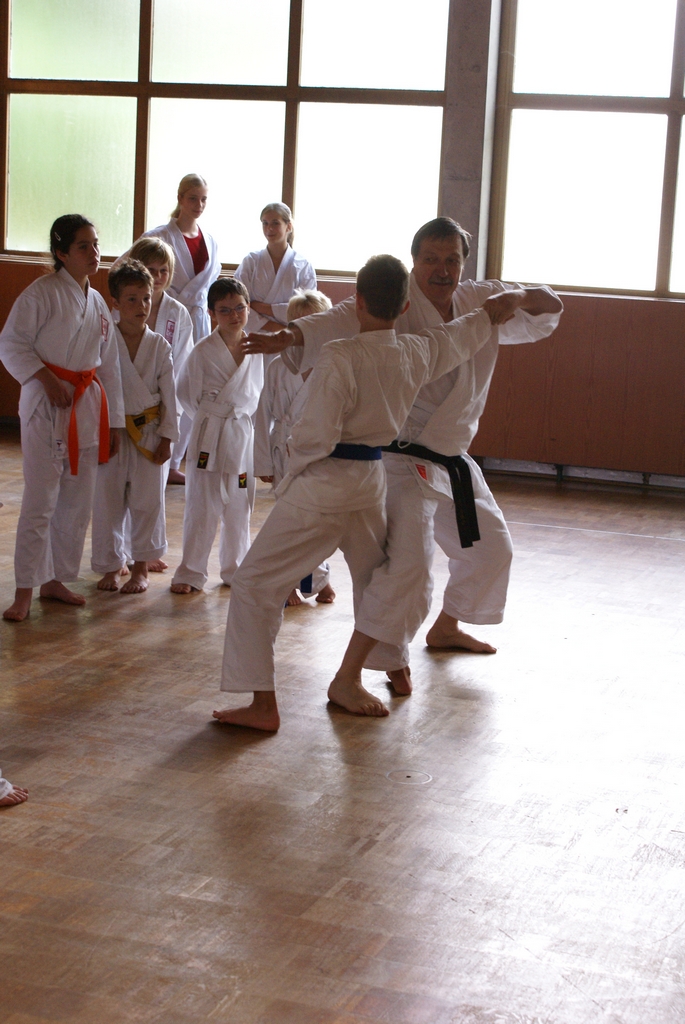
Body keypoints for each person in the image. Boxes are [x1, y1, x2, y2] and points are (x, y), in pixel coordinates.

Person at [244, 218, 562, 689]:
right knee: (409, 566)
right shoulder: (399, 299)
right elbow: (339, 317)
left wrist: (515, 297)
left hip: (452, 457)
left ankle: (447, 626)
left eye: (451, 259)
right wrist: (289, 335)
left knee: (493, 550)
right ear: (414, 262)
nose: (442, 269)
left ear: (464, 263)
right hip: (401, 458)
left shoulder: (483, 299)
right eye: (431, 259)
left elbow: (550, 304)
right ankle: (369, 665)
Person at [213, 254, 511, 732]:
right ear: (406, 305)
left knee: (253, 584)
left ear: (357, 302)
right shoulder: (416, 350)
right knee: (376, 579)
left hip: (325, 484)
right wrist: (494, 310)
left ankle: (263, 704)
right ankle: (392, 664)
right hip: (373, 480)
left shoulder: (340, 356)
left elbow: (314, 435)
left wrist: (291, 475)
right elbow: (461, 336)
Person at [0, 214, 124, 623]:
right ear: (61, 253)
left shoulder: (98, 303)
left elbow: (109, 366)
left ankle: (54, 580)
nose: (94, 252)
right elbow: (11, 344)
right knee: (40, 500)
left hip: (85, 405)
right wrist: (44, 377)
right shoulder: (40, 294)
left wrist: (115, 421)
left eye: (96, 244)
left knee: (77, 499)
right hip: (46, 404)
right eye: (83, 246)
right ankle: (23, 589)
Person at [170, 278, 263, 594]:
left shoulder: (255, 348)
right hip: (209, 438)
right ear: (211, 313)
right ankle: (190, 572)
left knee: (239, 503)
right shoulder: (202, 351)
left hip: (240, 438)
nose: (234, 315)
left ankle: (235, 569)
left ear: (248, 309)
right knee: (202, 504)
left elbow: (256, 393)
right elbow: (186, 394)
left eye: (239, 308)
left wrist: (233, 419)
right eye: (225, 310)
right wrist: (210, 419)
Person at [91, 260, 178, 594]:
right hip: (111, 432)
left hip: (149, 433)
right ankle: (112, 565)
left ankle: (141, 566)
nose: (141, 306)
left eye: (146, 298)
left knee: (148, 501)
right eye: (132, 299)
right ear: (114, 302)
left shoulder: (159, 345)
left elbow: (170, 396)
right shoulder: (103, 341)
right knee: (107, 501)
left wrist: (168, 436)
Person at [254, 289, 335, 606]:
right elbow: (263, 414)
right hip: (284, 451)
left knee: (318, 521)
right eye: (300, 323)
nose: (307, 331)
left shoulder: (334, 364)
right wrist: (262, 462)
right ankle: (287, 582)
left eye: (314, 322)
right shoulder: (278, 366)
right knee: (288, 521)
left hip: (320, 451)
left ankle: (319, 577)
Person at [125, 236, 193, 487]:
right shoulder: (120, 308)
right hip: (124, 407)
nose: (158, 276)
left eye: (164, 270)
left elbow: (182, 368)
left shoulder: (177, 313)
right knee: (116, 486)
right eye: (151, 269)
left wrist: (169, 420)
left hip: (160, 410)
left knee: (151, 488)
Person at [140, 174, 221, 347]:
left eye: (203, 199)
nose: (199, 205)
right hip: (164, 313)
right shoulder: (157, 237)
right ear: (180, 198)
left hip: (199, 317)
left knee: (197, 362)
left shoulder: (211, 242)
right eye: (193, 198)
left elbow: (211, 284)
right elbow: (123, 269)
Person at [235, 202, 316, 336]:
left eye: (275, 223)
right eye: (265, 223)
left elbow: (307, 309)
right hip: (256, 335)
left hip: (290, 337)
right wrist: (278, 327)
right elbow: (239, 303)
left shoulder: (303, 265)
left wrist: (262, 307)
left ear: (288, 226)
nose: (269, 228)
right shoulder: (251, 261)